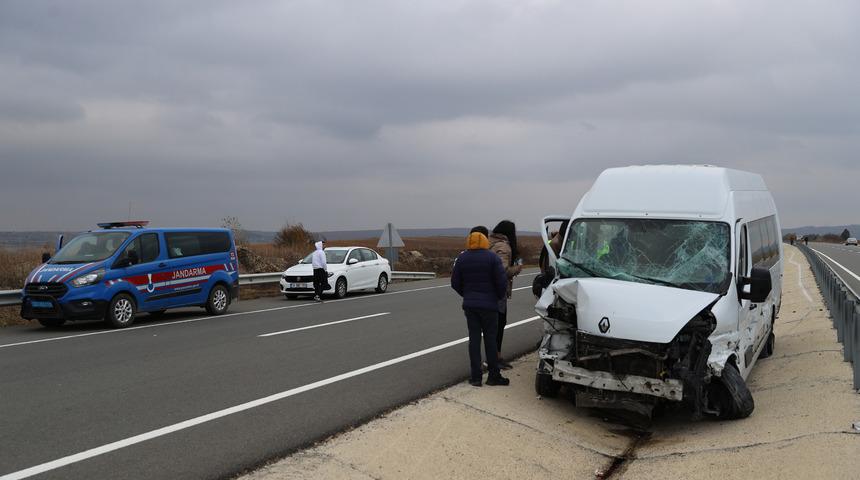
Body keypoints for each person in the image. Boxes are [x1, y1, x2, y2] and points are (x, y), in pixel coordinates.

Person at [451, 229, 509, 386]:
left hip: (470, 305)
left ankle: (476, 377)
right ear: (485, 242)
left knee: (474, 340)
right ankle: (493, 376)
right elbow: (501, 282)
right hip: (490, 306)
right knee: (490, 340)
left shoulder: (462, 258)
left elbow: (455, 283)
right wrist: (496, 297)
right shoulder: (492, 258)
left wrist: (467, 294)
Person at [488, 220, 523, 370]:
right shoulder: (503, 246)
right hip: (497, 290)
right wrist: (517, 268)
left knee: (494, 324)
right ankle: (495, 357)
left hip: (488, 289)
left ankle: (494, 356)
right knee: (499, 323)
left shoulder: (491, 242)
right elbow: (501, 270)